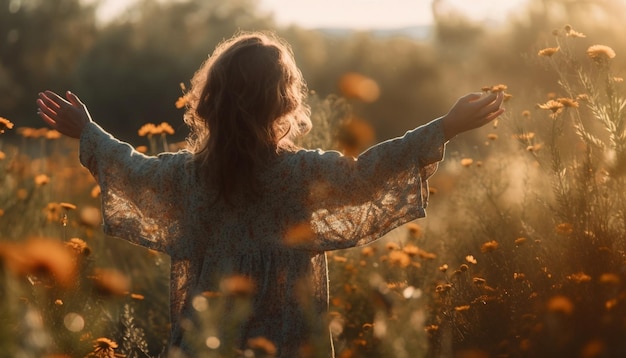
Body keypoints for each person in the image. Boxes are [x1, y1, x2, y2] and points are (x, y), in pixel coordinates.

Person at [36, 31, 504, 357]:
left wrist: (88, 132)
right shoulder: (298, 174)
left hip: (208, 340)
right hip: (287, 341)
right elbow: (369, 173)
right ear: (284, 104)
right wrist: (445, 127)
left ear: (208, 101)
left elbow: (131, 171)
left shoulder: (186, 177)